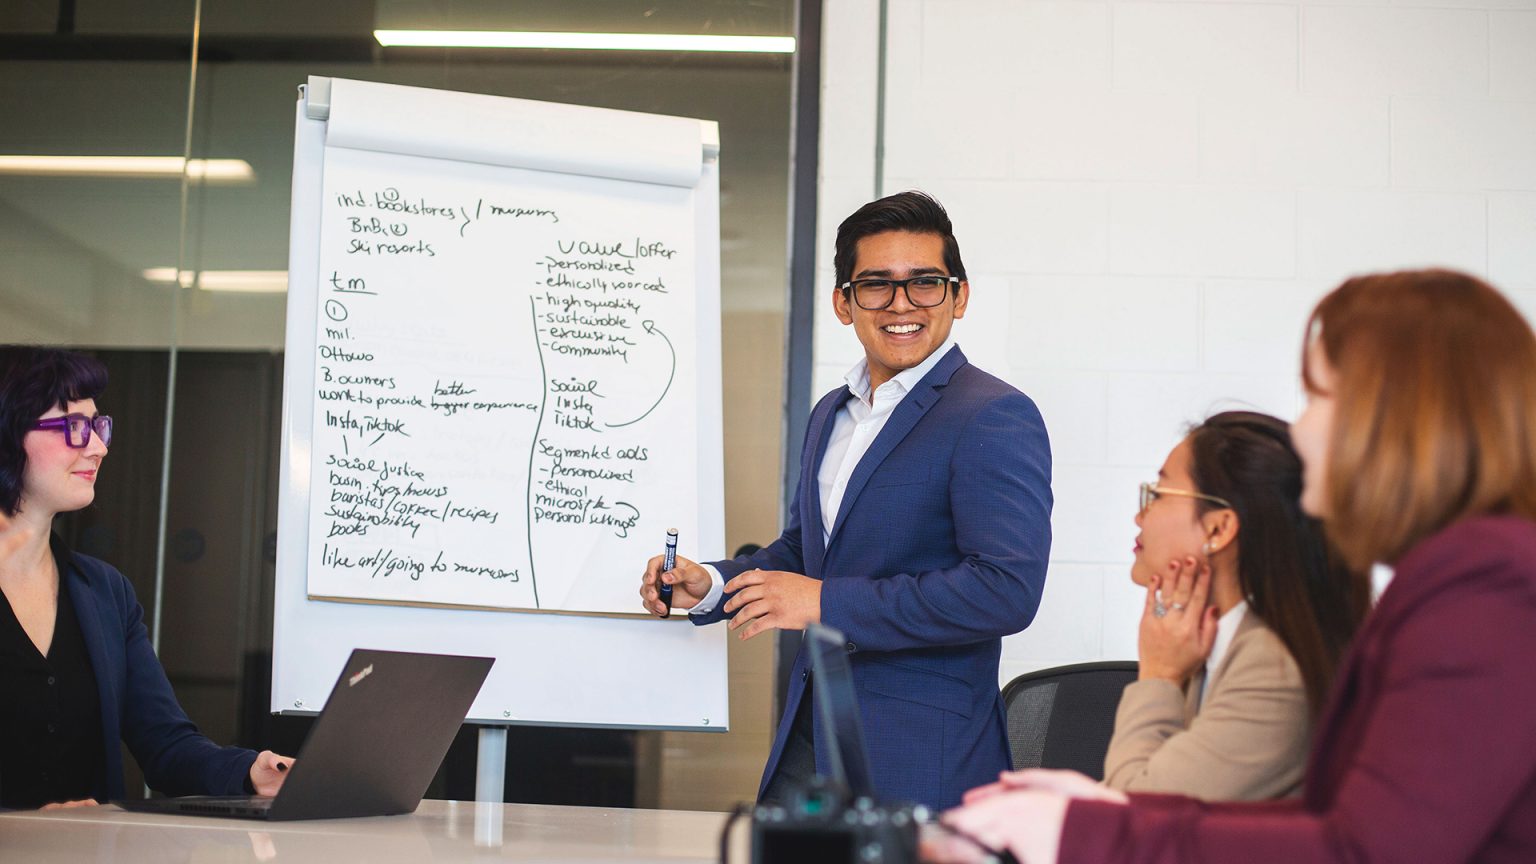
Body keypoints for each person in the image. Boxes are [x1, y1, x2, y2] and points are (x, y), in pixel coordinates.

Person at [926, 269, 1536, 863]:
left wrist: (1086, 828)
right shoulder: (1464, 576)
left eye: (1320, 399)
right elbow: (1340, 822)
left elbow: (1369, 849)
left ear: (1403, 421)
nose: (1301, 431)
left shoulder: (1486, 585)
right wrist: (1100, 812)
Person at [638, 191, 1052, 810]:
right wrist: (713, 585)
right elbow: (807, 552)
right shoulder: (831, 413)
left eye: (925, 283)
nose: (901, 304)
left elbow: (1004, 590)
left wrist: (824, 602)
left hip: (921, 756)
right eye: (876, 285)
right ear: (843, 302)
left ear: (959, 296)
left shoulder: (993, 414)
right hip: (812, 735)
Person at [0, 346, 292, 810]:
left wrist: (248, 771)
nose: (98, 447)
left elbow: (166, 745)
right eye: (74, 427)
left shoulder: (106, 593)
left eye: (98, 426)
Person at [1105, 411, 1367, 800]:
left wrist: (1158, 675)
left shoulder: (1272, 667)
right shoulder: (1210, 643)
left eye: (1157, 495)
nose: (1139, 516)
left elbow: (1137, 811)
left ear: (1219, 528)